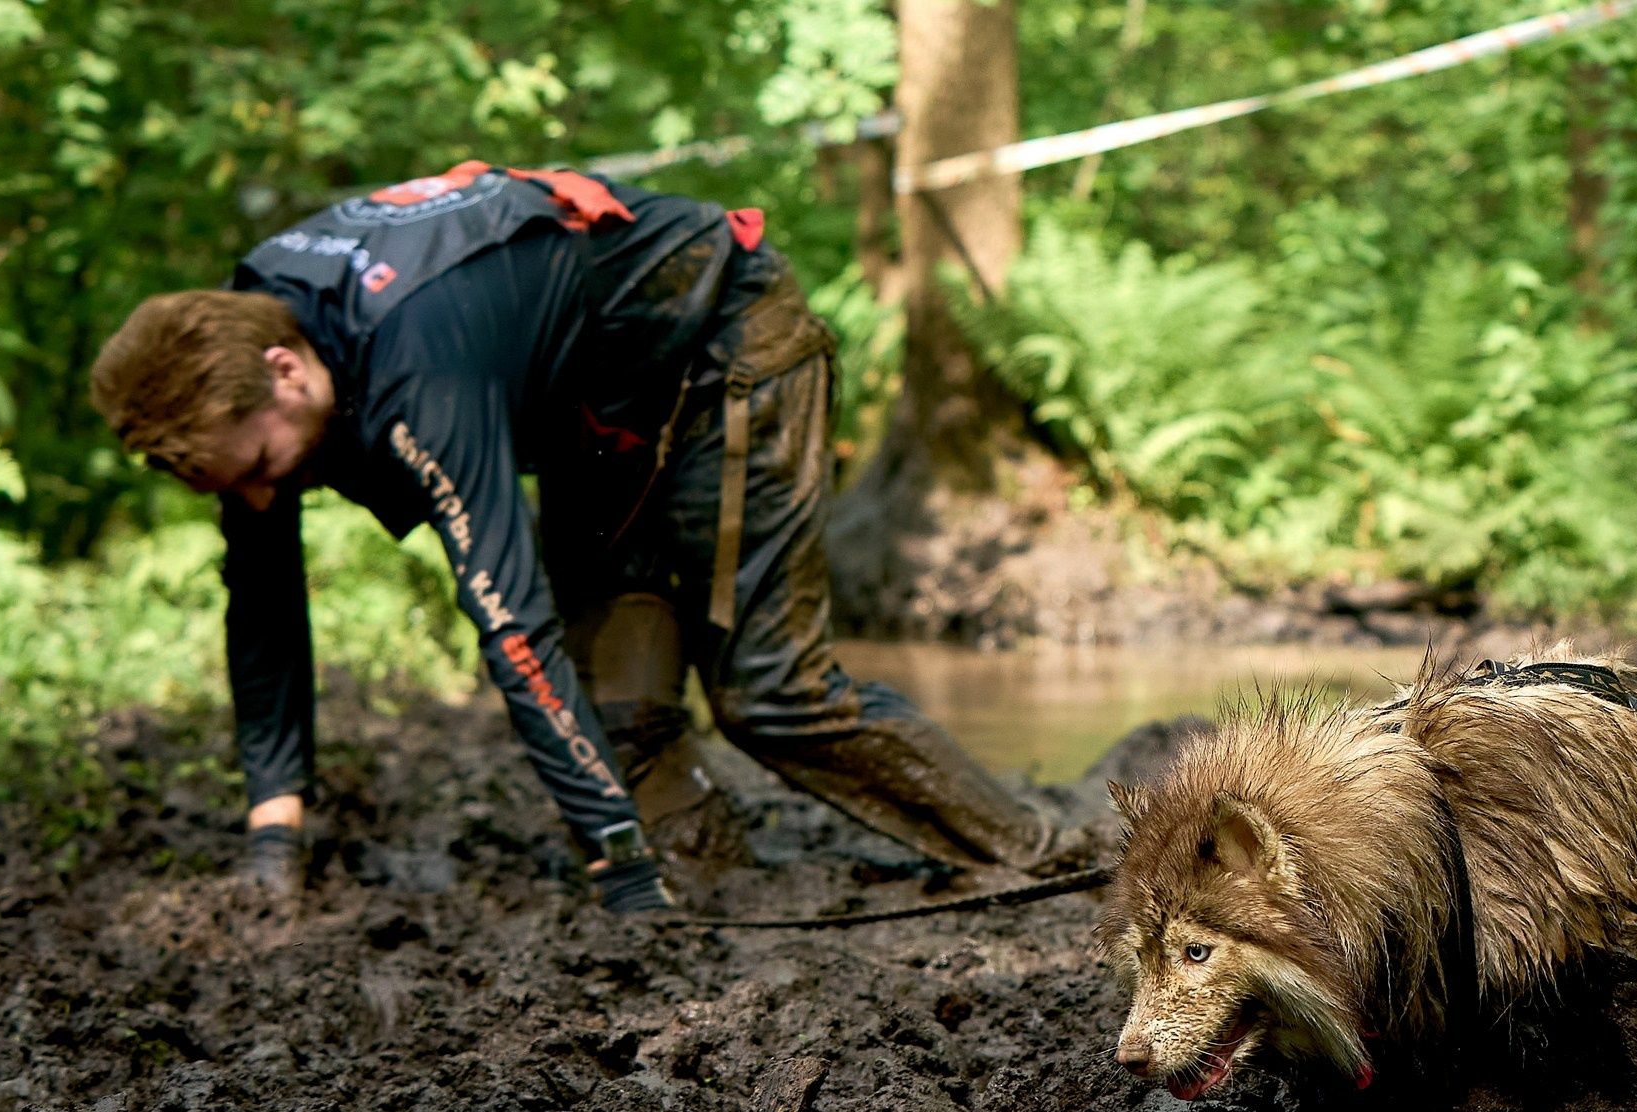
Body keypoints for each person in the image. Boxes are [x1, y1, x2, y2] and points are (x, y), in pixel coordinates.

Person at [91, 162, 1059, 911]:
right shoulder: (242, 349)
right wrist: (274, 830)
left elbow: (511, 623)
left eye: (265, 468)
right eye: (236, 484)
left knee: (769, 694)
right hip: (593, 411)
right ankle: (714, 886)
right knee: (614, 705)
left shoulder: (419, 369)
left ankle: (1039, 856)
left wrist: (612, 858)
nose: (263, 497)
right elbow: (262, 601)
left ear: (285, 370)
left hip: (724, 338)